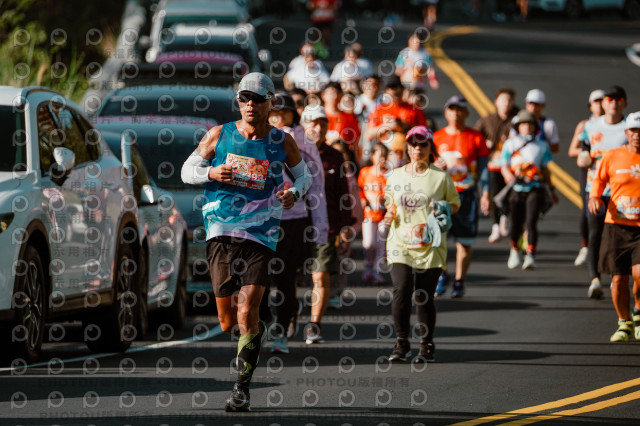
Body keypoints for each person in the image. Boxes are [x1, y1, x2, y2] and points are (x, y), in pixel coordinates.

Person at [180, 73, 311, 411]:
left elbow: (304, 176)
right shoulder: (218, 134)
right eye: (244, 98)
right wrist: (210, 173)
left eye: (257, 99)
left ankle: (241, 389)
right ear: (238, 101)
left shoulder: (282, 141)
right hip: (221, 230)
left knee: (247, 309)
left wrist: (294, 193)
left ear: (270, 103)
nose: (250, 104)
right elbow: (186, 170)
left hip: (261, 233)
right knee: (228, 320)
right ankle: (249, 334)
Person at [384, 126, 460, 363]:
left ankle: (426, 345)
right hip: (400, 242)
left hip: (430, 243)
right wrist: (389, 213)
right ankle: (401, 343)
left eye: (422, 144)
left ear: (430, 147)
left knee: (423, 296)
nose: (417, 148)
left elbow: (455, 204)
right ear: (408, 148)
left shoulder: (441, 177)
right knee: (401, 290)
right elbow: (390, 203)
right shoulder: (395, 175)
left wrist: (444, 208)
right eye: (413, 144)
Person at [266, 92, 329, 354]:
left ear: (293, 114)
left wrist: (321, 229)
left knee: (284, 277)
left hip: (293, 221)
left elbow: (317, 189)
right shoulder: (255, 138)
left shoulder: (304, 143)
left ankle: (280, 331)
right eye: (274, 112)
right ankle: (267, 322)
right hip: (259, 221)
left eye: (284, 112)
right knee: (258, 278)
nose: (279, 116)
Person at [300, 104, 354, 344]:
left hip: (325, 228)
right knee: (290, 279)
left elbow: (343, 194)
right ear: (303, 125)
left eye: (322, 123)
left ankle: (314, 325)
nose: (318, 128)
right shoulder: (293, 152)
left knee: (320, 277)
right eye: (313, 122)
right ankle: (287, 320)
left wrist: (345, 227)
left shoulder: (335, 156)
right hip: (295, 226)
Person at [588, 112, 640, 342]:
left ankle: (638, 312)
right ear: (626, 132)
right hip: (616, 225)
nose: (637, 135)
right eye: (633, 130)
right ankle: (624, 322)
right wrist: (594, 198)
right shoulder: (612, 156)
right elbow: (598, 180)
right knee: (619, 279)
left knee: (639, 274)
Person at [433, 96, 490, 298]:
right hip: (442, 197)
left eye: (460, 110)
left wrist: (486, 193)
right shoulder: (436, 138)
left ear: (466, 113)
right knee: (437, 241)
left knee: (464, 242)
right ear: (446, 112)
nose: (456, 114)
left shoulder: (476, 137)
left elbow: (484, 169)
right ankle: (442, 276)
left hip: (466, 195)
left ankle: (459, 281)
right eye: (452, 109)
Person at [581, 85, 628, 299]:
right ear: (603, 103)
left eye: (618, 99)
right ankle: (595, 280)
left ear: (624, 103)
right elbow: (583, 148)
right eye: (609, 99)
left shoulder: (630, 128)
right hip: (595, 190)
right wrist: (585, 156)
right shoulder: (591, 126)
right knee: (595, 232)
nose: (614, 103)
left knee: (619, 236)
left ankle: (617, 278)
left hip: (621, 192)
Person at [501, 110, 558, 270]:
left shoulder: (542, 145)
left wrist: (551, 189)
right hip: (516, 188)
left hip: (535, 188)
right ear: (518, 127)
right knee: (515, 221)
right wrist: (507, 175)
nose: (527, 127)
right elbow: (504, 164)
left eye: (530, 124)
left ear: (535, 127)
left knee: (532, 221)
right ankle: (514, 250)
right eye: (523, 124)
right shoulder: (510, 144)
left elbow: (545, 169)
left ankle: (530, 254)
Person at [475, 88, 519, 243]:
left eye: (509, 100)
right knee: (494, 193)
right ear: (496, 102)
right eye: (503, 100)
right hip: (493, 163)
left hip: (513, 165)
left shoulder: (517, 119)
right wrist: (486, 145)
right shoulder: (487, 120)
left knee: (509, 194)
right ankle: (495, 225)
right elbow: (476, 137)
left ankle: (505, 217)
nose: (506, 103)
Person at [567, 89, 605, 268]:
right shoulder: (585, 125)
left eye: (602, 101)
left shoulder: (617, 126)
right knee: (587, 209)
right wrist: (587, 154)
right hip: (590, 171)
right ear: (590, 106)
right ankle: (585, 247)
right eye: (596, 102)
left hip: (610, 173)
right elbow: (572, 150)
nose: (599, 105)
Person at [365, 74, 426, 148]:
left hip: (408, 149)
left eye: (397, 88)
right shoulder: (379, 109)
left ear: (402, 90)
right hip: (385, 151)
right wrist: (386, 126)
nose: (394, 90)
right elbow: (368, 135)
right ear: (386, 91)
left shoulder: (414, 109)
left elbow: (425, 132)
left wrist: (406, 127)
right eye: (391, 88)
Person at [358, 143, 390, 284]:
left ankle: (377, 271)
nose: (382, 158)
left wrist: (385, 200)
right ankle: (368, 266)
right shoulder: (365, 172)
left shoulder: (389, 174)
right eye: (379, 155)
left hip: (384, 215)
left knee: (381, 243)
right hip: (369, 214)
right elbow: (359, 189)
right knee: (369, 243)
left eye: (385, 155)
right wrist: (362, 199)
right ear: (372, 156)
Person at [321, 82, 361, 150]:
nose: (334, 96)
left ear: (341, 95)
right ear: (323, 95)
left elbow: (355, 143)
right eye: (331, 93)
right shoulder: (318, 117)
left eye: (337, 93)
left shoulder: (350, 117)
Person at [522, 89, 560, 154]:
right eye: (530, 104)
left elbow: (555, 147)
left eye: (536, 104)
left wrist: (538, 148)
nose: (533, 108)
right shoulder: (516, 121)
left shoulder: (549, 124)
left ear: (543, 105)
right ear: (526, 104)